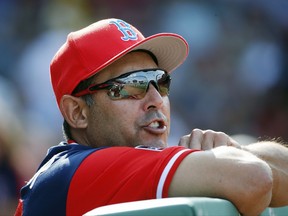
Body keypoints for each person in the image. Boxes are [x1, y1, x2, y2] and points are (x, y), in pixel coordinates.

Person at [15, 18, 288, 216]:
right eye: (133, 84)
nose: (156, 99)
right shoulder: (73, 173)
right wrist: (229, 159)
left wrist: (234, 149)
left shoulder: (125, 167)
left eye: (161, 81)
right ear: (78, 112)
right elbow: (252, 179)